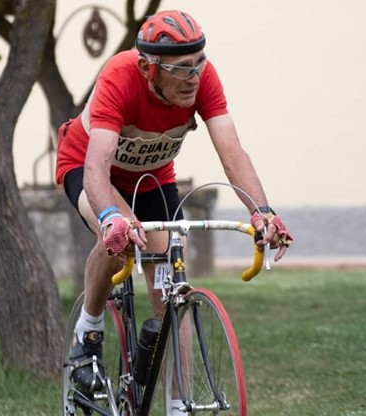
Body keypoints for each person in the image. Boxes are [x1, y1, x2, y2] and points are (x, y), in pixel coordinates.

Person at [56, 8, 293, 410]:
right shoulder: (119, 77)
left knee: (169, 292)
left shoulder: (204, 77)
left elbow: (232, 153)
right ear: (148, 68)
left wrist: (262, 211)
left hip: (153, 177)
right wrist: (111, 218)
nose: (194, 76)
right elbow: (97, 167)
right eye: (182, 68)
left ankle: (178, 405)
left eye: (199, 63)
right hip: (89, 167)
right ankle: (89, 329)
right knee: (118, 236)